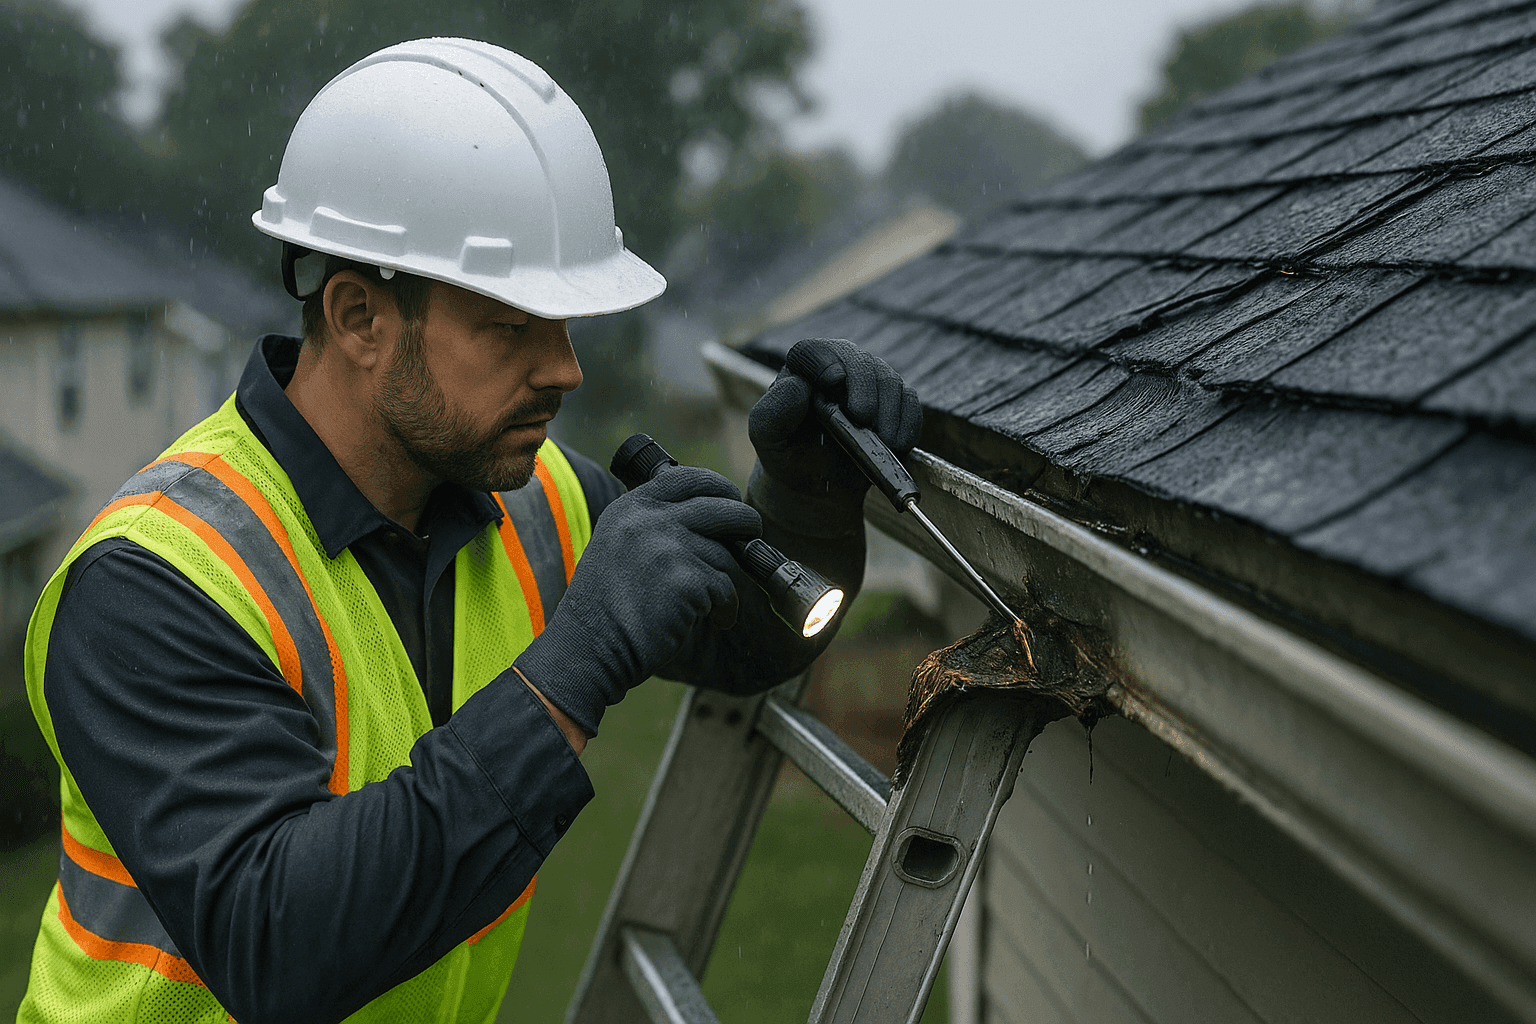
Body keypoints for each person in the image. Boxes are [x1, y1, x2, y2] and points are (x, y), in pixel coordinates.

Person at [19, 38, 921, 1024]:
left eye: (567, 323)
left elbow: (756, 635)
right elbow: (276, 943)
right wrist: (570, 670)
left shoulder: (536, 504)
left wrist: (808, 498)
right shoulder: (156, 581)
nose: (567, 369)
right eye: (512, 325)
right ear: (360, 316)